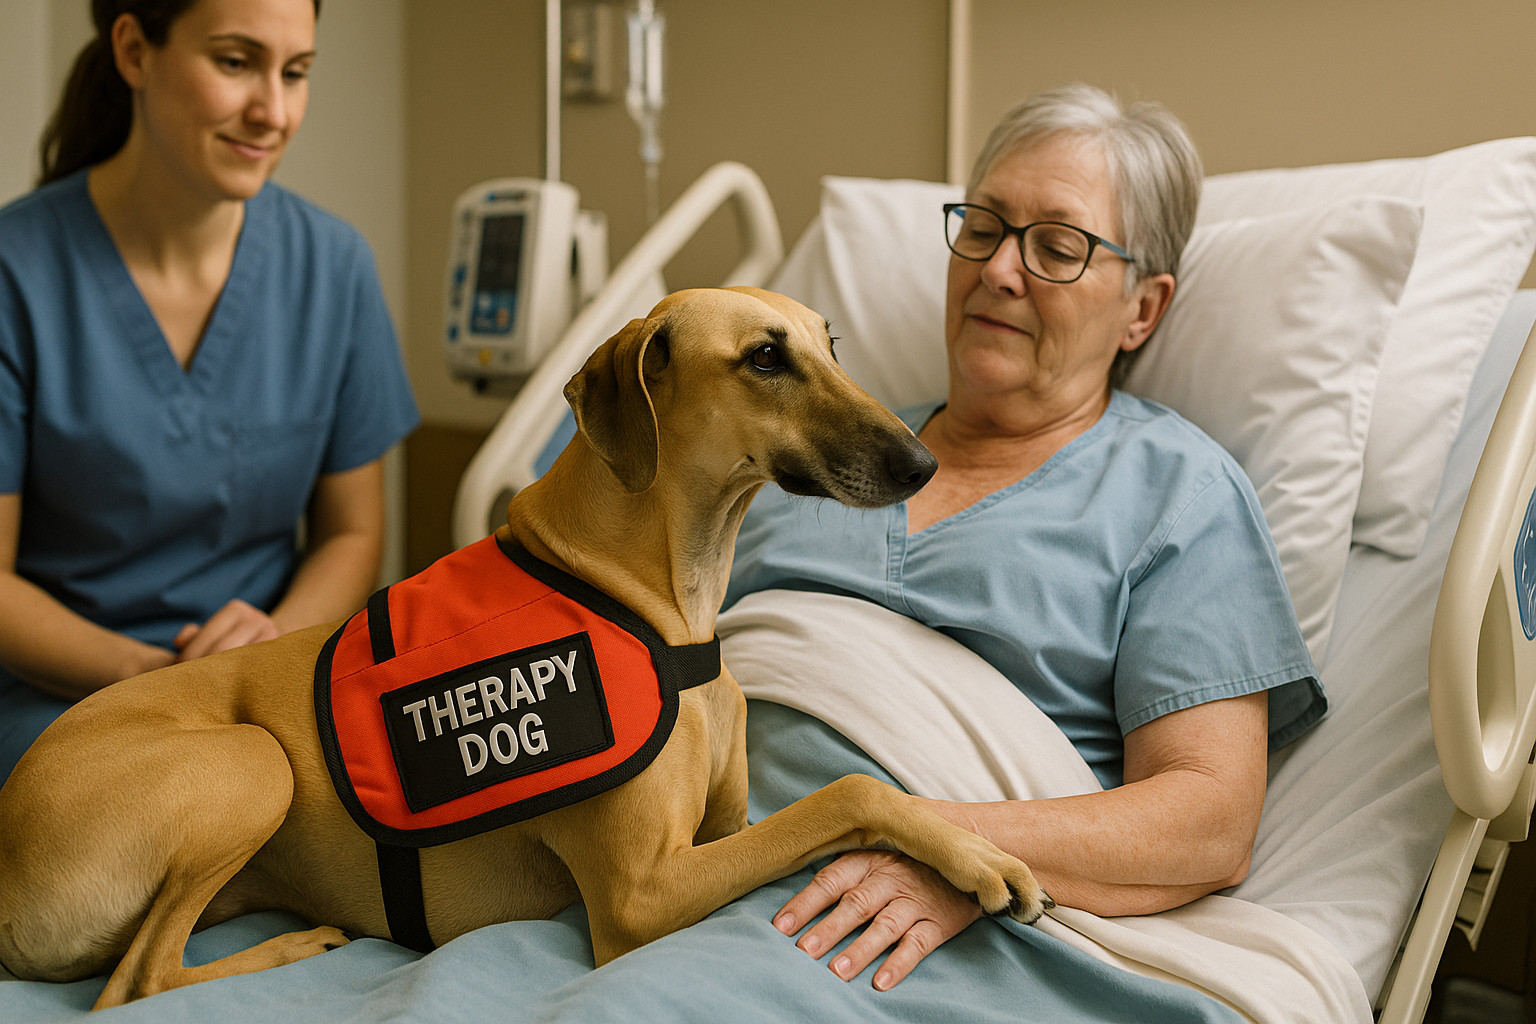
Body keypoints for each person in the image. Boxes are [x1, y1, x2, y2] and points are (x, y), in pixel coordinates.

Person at [722, 84, 1326, 991]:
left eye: (1058, 247)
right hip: (685, 871)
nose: (1000, 269)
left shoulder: (1177, 494)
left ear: (1143, 310)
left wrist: (939, 843)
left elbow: (1209, 823)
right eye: (985, 227)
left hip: (910, 937)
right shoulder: (801, 454)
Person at [0, 0, 419, 784]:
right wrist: (150, 678)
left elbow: (352, 535)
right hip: (68, 700)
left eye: (295, 73)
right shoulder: (15, 274)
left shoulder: (332, 268)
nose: (273, 111)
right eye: (235, 62)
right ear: (134, 50)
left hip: (272, 687)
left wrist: (271, 647)